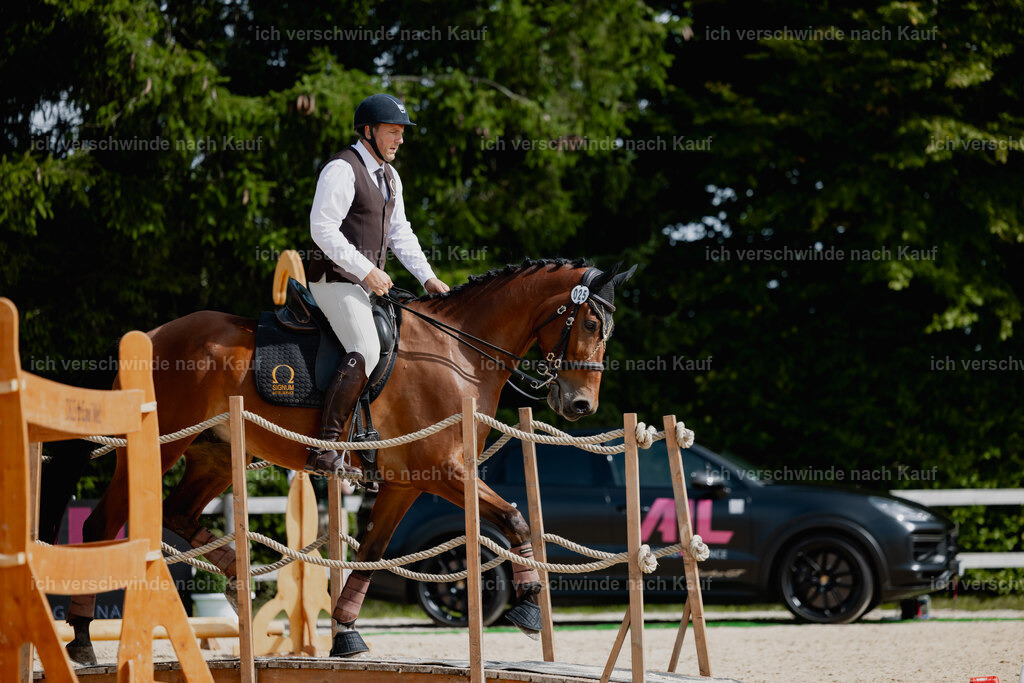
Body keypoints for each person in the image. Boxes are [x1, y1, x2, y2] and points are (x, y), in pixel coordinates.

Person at [306, 93, 449, 475]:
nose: (399, 139)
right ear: (368, 131)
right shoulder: (342, 168)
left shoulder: (390, 176)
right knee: (366, 346)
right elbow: (321, 228)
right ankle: (327, 446)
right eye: (392, 131)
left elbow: (401, 233)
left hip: (363, 286)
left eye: (402, 132)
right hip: (333, 280)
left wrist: (428, 277)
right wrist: (365, 269)